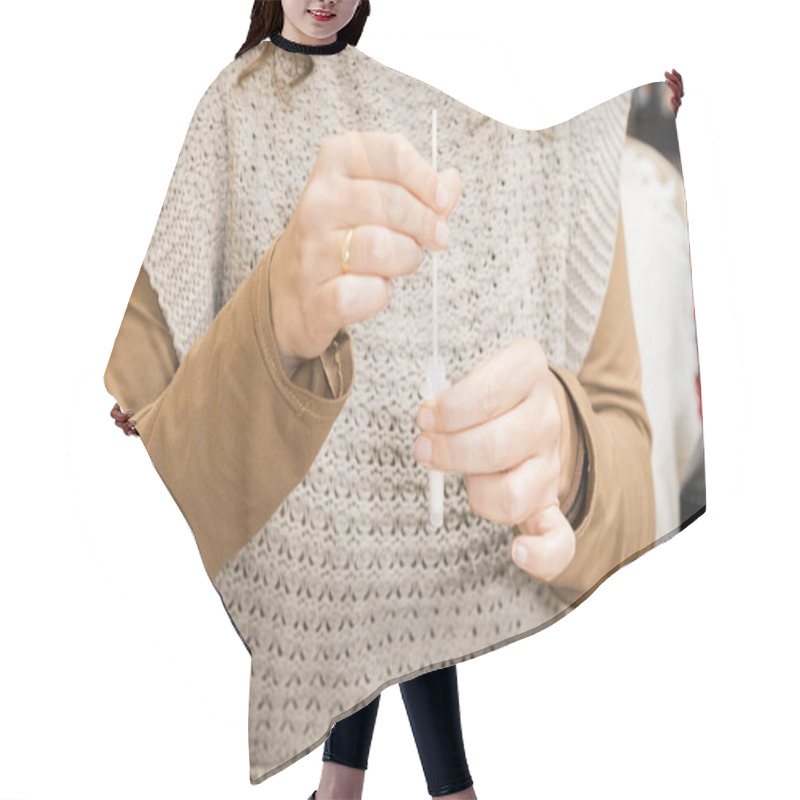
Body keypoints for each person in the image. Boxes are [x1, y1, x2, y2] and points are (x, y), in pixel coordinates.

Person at [106, 1, 686, 796]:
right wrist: (148, 383)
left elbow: (505, 160)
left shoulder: (383, 91)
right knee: (370, 598)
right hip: (303, 428)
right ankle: (436, 790)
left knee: (406, 594)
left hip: (392, 408)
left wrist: (636, 121)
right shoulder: (232, 100)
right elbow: (187, 245)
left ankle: (353, 786)